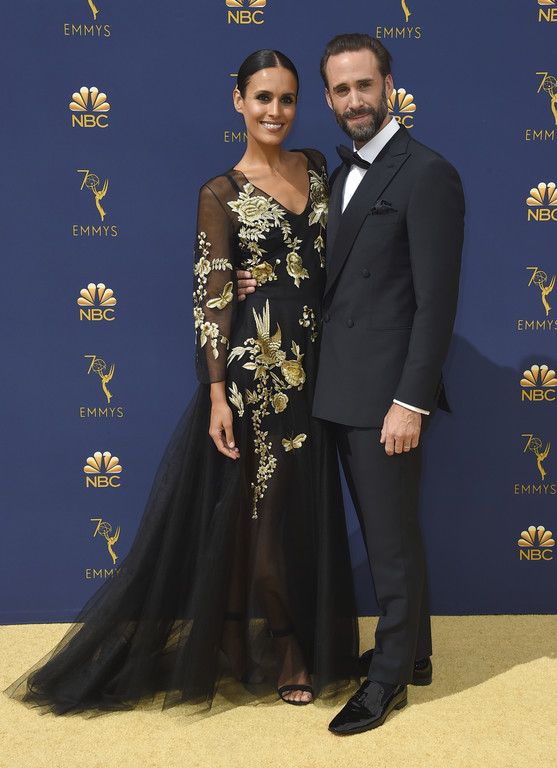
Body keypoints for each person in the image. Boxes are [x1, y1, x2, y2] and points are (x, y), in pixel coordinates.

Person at [4, 49, 359, 715]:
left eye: (286, 98)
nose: (275, 111)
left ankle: (236, 633)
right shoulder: (219, 193)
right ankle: (285, 643)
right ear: (238, 101)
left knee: (291, 512)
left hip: (316, 367)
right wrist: (217, 393)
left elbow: (333, 253)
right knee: (262, 520)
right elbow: (213, 297)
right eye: (262, 98)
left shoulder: (316, 167)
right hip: (256, 375)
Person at [238, 34, 465, 734]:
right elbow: (317, 273)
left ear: (389, 86)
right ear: (329, 98)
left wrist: (410, 401)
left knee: (390, 543)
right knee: (389, 529)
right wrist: (254, 280)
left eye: (365, 85)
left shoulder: (427, 173)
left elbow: (436, 304)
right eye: (340, 90)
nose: (354, 100)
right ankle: (415, 652)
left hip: (386, 395)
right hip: (334, 385)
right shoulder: (333, 176)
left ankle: (387, 678)